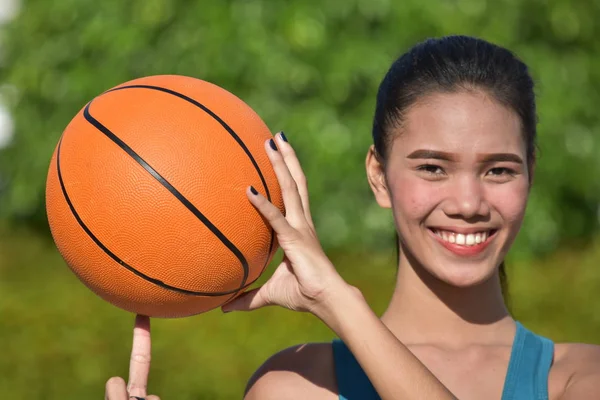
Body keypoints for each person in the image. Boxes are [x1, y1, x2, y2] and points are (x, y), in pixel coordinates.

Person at [104, 35, 600, 400]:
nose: (468, 202)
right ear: (379, 176)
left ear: (530, 174)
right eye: (432, 167)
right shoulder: (296, 388)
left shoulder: (581, 378)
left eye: (498, 169)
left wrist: (338, 301)